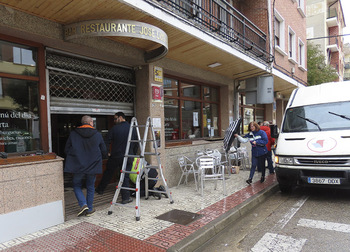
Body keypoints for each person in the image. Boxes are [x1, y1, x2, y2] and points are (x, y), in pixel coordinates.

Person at [64, 115, 107, 217]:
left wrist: (76, 156)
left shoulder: (74, 134)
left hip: (78, 165)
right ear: (91, 122)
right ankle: (90, 209)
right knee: (90, 186)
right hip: (93, 165)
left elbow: (66, 149)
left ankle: (83, 204)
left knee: (76, 185)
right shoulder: (97, 134)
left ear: (82, 123)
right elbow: (104, 150)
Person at [95, 112, 137, 204]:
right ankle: (125, 197)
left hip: (116, 155)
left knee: (108, 173)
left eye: (115, 118)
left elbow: (106, 142)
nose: (114, 121)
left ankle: (100, 189)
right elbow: (136, 142)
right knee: (125, 176)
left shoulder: (114, 129)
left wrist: (106, 154)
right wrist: (133, 153)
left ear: (121, 117)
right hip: (129, 156)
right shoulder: (133, 128)